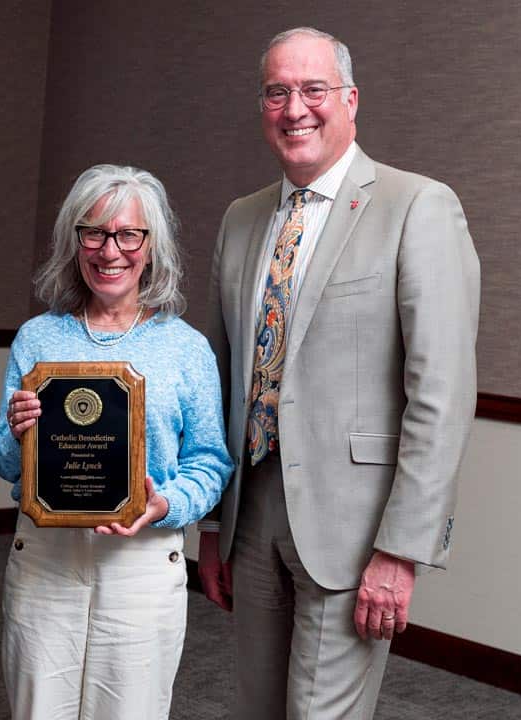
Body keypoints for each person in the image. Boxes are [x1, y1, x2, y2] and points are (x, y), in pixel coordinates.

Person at [197, 27, 481, 719]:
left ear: (349, 100)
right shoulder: (241, 220)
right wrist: (212, 525)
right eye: (277, 91)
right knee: (257, 709)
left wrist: (401, 549)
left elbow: (440, 395)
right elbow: (219, 379)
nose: (296, 108)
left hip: (356, 533)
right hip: (252, 515)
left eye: (313, 89)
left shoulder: (418, 207)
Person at [0, 164, 233, 719]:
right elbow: (4, 459)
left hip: (141, 562)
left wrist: (166, 503)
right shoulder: (38, 336)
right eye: (93, 233)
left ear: (152, 246)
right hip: (46, 562)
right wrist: (18, 430)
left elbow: (210, 463)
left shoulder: (186, 348)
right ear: (74, 242)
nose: (110, 250)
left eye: (128, 234)